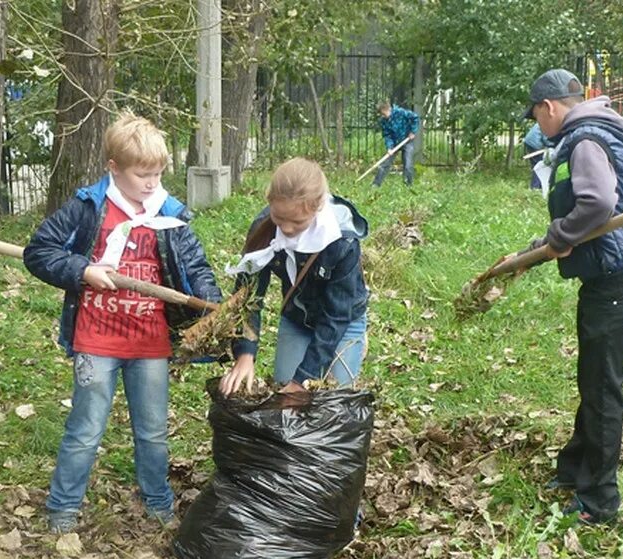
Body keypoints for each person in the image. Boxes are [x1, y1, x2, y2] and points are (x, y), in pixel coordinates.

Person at [23, 114, 222, 533]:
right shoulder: (88, 208)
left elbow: (196, 265)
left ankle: (158, 503)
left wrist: (212, 305)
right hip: (96, 338)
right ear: (113, 166)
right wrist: (82, 270)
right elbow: (39, 251)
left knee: (152, 432)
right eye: (142, 173)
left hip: (150, 342)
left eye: (158, 173)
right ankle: (62, 509)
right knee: (85, 429)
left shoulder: (169, 213)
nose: (152, 182)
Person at [523, 69, 623, 525]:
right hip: (611, 278)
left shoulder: (584, 140)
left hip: (618, 279)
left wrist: (561, 233)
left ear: (549, 107)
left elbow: (598, 203)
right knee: (593, 380)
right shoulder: (594, 133)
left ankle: (600, 499)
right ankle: (573, 469)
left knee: (603, 390)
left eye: (536, 115)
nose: (537, 125)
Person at [220, 157, 368, 396]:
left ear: (318, 206)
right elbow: (247, 297)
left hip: (343, 321)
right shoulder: (264, 227)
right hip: (297, 318)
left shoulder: (342, 241)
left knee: (334, 399)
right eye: (280, 219)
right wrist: (245, 354)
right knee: (284, 393)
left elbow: (337, 316)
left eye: (297, 222)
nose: (287, 229)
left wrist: (303, 379)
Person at [372, 101, 419, 187]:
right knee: (385, 163)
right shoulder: (384, 121)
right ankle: (376, 184)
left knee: (408, 164)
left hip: (407, 140)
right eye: (381, 114)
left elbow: (415, 117)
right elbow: (387, 135)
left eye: (384, 113)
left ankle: (408, 185)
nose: (383, 116)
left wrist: (413, 131)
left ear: (388, 109)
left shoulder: (400, 112)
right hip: (394, 144)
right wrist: (389, 147)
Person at [523, 122, 549, 189]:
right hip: (535, 144)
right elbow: (547, 138)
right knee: (539, 166)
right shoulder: (548, 124)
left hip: (529, 142)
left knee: (536, 164)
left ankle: (538, 185)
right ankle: (535, 187)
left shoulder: (543, 120)